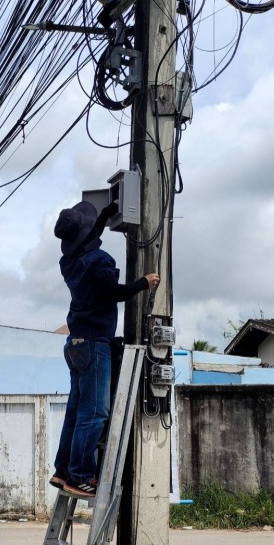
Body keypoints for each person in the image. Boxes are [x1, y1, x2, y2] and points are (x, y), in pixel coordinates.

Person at [51, 199, 160, 498]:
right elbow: (113, 292)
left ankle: (63, 471)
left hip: (74, 344)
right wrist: (143, 283)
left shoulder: (69, 261)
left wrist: (105, 215)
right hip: (94, 344)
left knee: (75, 411)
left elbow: (86, 238)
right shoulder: (99, 261)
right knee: (96, 413)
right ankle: (81, 476)